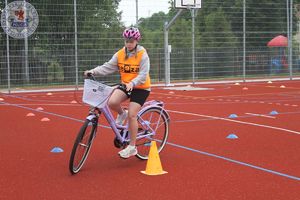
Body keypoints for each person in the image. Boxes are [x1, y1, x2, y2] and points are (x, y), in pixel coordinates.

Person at [84, 27, 151, 159]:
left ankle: (132, 147)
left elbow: (143, 75)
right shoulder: (120, 54)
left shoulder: (143, 54)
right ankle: (122, 113)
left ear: (137, 40)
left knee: (132, 115)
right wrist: (93, 71)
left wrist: (132, 83)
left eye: (131, 41)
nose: (129, 43)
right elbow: (108, 67)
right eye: (126, 41)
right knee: (112, 102)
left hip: (141, 87)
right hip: (126, 85)